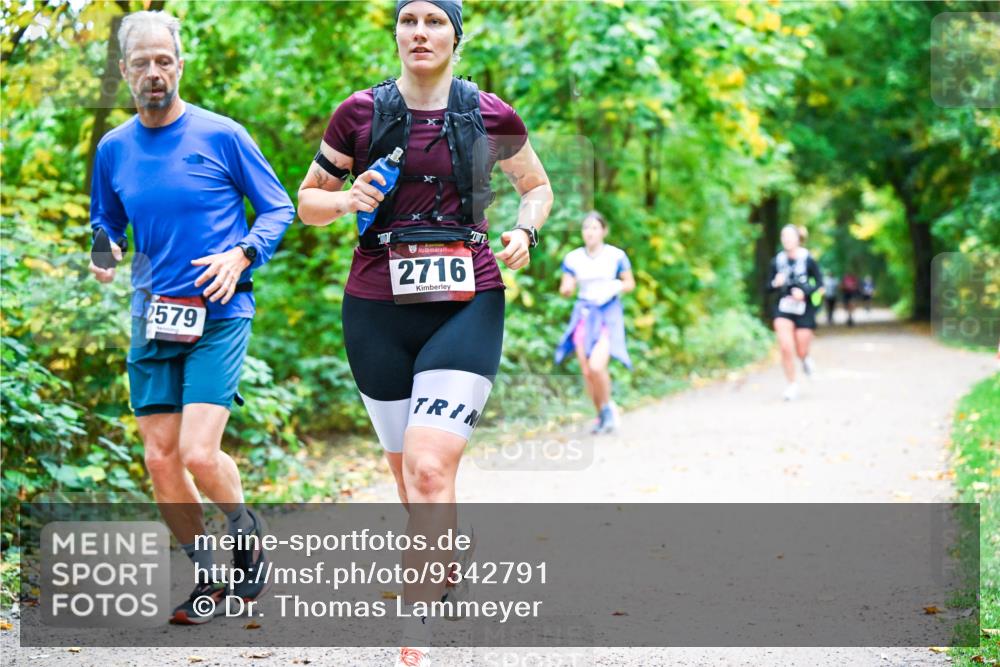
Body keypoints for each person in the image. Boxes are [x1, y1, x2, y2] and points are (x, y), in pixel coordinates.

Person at [297, 1, 552, 663]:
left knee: (431, 466)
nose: (419, 32)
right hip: (376, 307)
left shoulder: (491, 114)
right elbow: (307, 204)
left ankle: (415, 635)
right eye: (408, 20)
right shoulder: (360, 113)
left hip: (468, 300)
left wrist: (524, 228)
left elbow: (537, 186)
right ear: (397, 35)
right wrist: (346, 199)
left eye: (434, 21)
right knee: (411, 481)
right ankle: (444, 548)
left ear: (456, 36)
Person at [88, 11, 294, 624]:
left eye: (164, 60)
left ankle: (245, 530)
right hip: (153, 316)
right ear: (124, 72)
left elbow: (278, 209)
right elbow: (106, 220)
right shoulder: (113, 147)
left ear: (180, 65)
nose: (154, 72)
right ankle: (207, 576)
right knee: (159, 458)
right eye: (142, 63)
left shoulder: (222, 135)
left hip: (220, 312)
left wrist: (242, 252)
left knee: (200, 453)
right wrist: (105, 247)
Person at [554, 211, 635, 434]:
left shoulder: (616, 256)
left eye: (594, 228)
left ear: (603, 231)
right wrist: (567, 289)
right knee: (586, 371)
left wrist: (614, 287)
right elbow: (566, 286)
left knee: (597, 366)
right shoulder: (573, 258)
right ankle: (601, 415)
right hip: (584, 313)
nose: (589, 232)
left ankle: (609, 409)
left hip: (607, 312)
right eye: (586, 228)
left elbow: (630, 283)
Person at [768, 224, 823, 401]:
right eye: (783, 236)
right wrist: (775, 283)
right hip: (783, 308)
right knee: (785, 347)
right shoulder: (777, 261)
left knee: (800, 349)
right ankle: (792, 385)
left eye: (789, 236)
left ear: (798, 238)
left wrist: (805, 292)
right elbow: (766, 287)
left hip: (804, 309)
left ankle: (805, 358)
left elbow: (819, 284)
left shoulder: (808, 259)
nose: (786, 240)